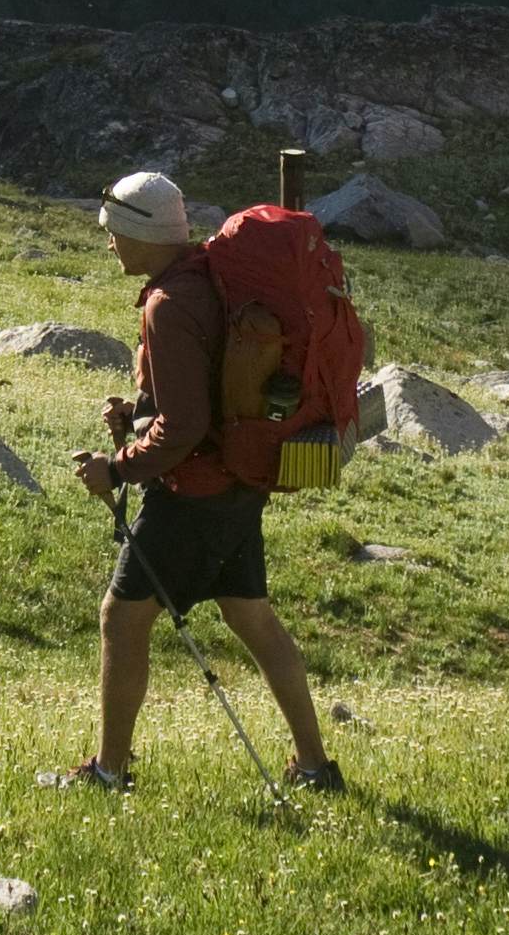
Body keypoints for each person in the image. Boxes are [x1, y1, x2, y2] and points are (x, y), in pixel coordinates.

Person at [61, 166, 338, 792]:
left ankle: (108, 773)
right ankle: (316, 768)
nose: (110, 243)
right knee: (254, 620)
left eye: (115, 232)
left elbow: (184, 429)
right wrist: (138, 412)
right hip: (242, 481)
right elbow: (208, 394)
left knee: (122, 620)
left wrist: (116, 467)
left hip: (195, 494)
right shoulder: (211, 280)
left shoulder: (168, 303)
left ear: (145, 235)